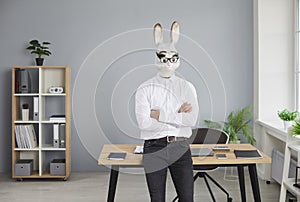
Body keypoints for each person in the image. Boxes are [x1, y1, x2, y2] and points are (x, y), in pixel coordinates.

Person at [135, 21, 199, 202]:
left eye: (173, 58)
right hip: (154, 147)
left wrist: (160, 115)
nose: (168, 62)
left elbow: (191, 120)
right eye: (164, 57)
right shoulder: (144, 88)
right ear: (157, 58)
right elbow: (144, 123)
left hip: (180, 146)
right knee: (157, 199)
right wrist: (177, 114)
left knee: (187, 198)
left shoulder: (186, 87)